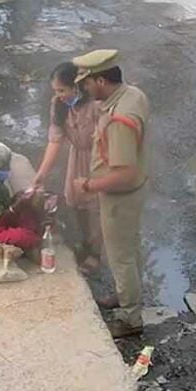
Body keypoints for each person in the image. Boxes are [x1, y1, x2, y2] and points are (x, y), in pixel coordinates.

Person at [70, 49, 150, 339]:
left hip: (121, 195)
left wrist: (88, 186)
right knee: (130, 247)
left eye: (87, 84)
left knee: (121, 256)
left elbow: (123, 173)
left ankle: (130, 318)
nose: (85, 90)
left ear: (101, 81)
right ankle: (125, 293)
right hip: (135, 189)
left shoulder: (119, 119)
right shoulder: (132, 94)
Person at [33, 62, 104, 275]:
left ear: (77, 87)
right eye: (56, 90)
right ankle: (86, 242)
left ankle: (95, 254)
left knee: (96, 208)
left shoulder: (96, 105)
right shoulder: (59, 105)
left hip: (100, 158)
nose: (59, 95)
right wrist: (41, 174)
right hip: (78, 157)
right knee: (76, 202)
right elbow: (55, 141)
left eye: (62, 90)